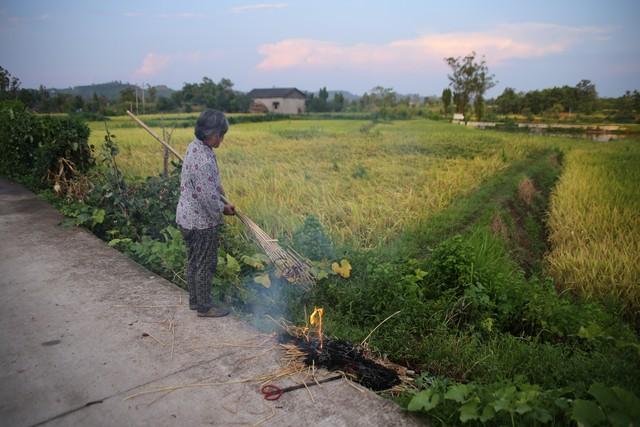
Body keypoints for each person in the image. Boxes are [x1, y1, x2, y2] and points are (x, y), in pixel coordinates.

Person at [176, 109, 236, 317]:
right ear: (209, 133)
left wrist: (220, 191)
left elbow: (209, 186)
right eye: (220, 135)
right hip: (200, 223)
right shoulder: (203, 160)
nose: (221, 139)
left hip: (186, 218)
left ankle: (195, 301)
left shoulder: (195, 147)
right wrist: (223, 209)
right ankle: (204, 307)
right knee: (205, 264)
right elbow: (206, 198)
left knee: (193, 261)